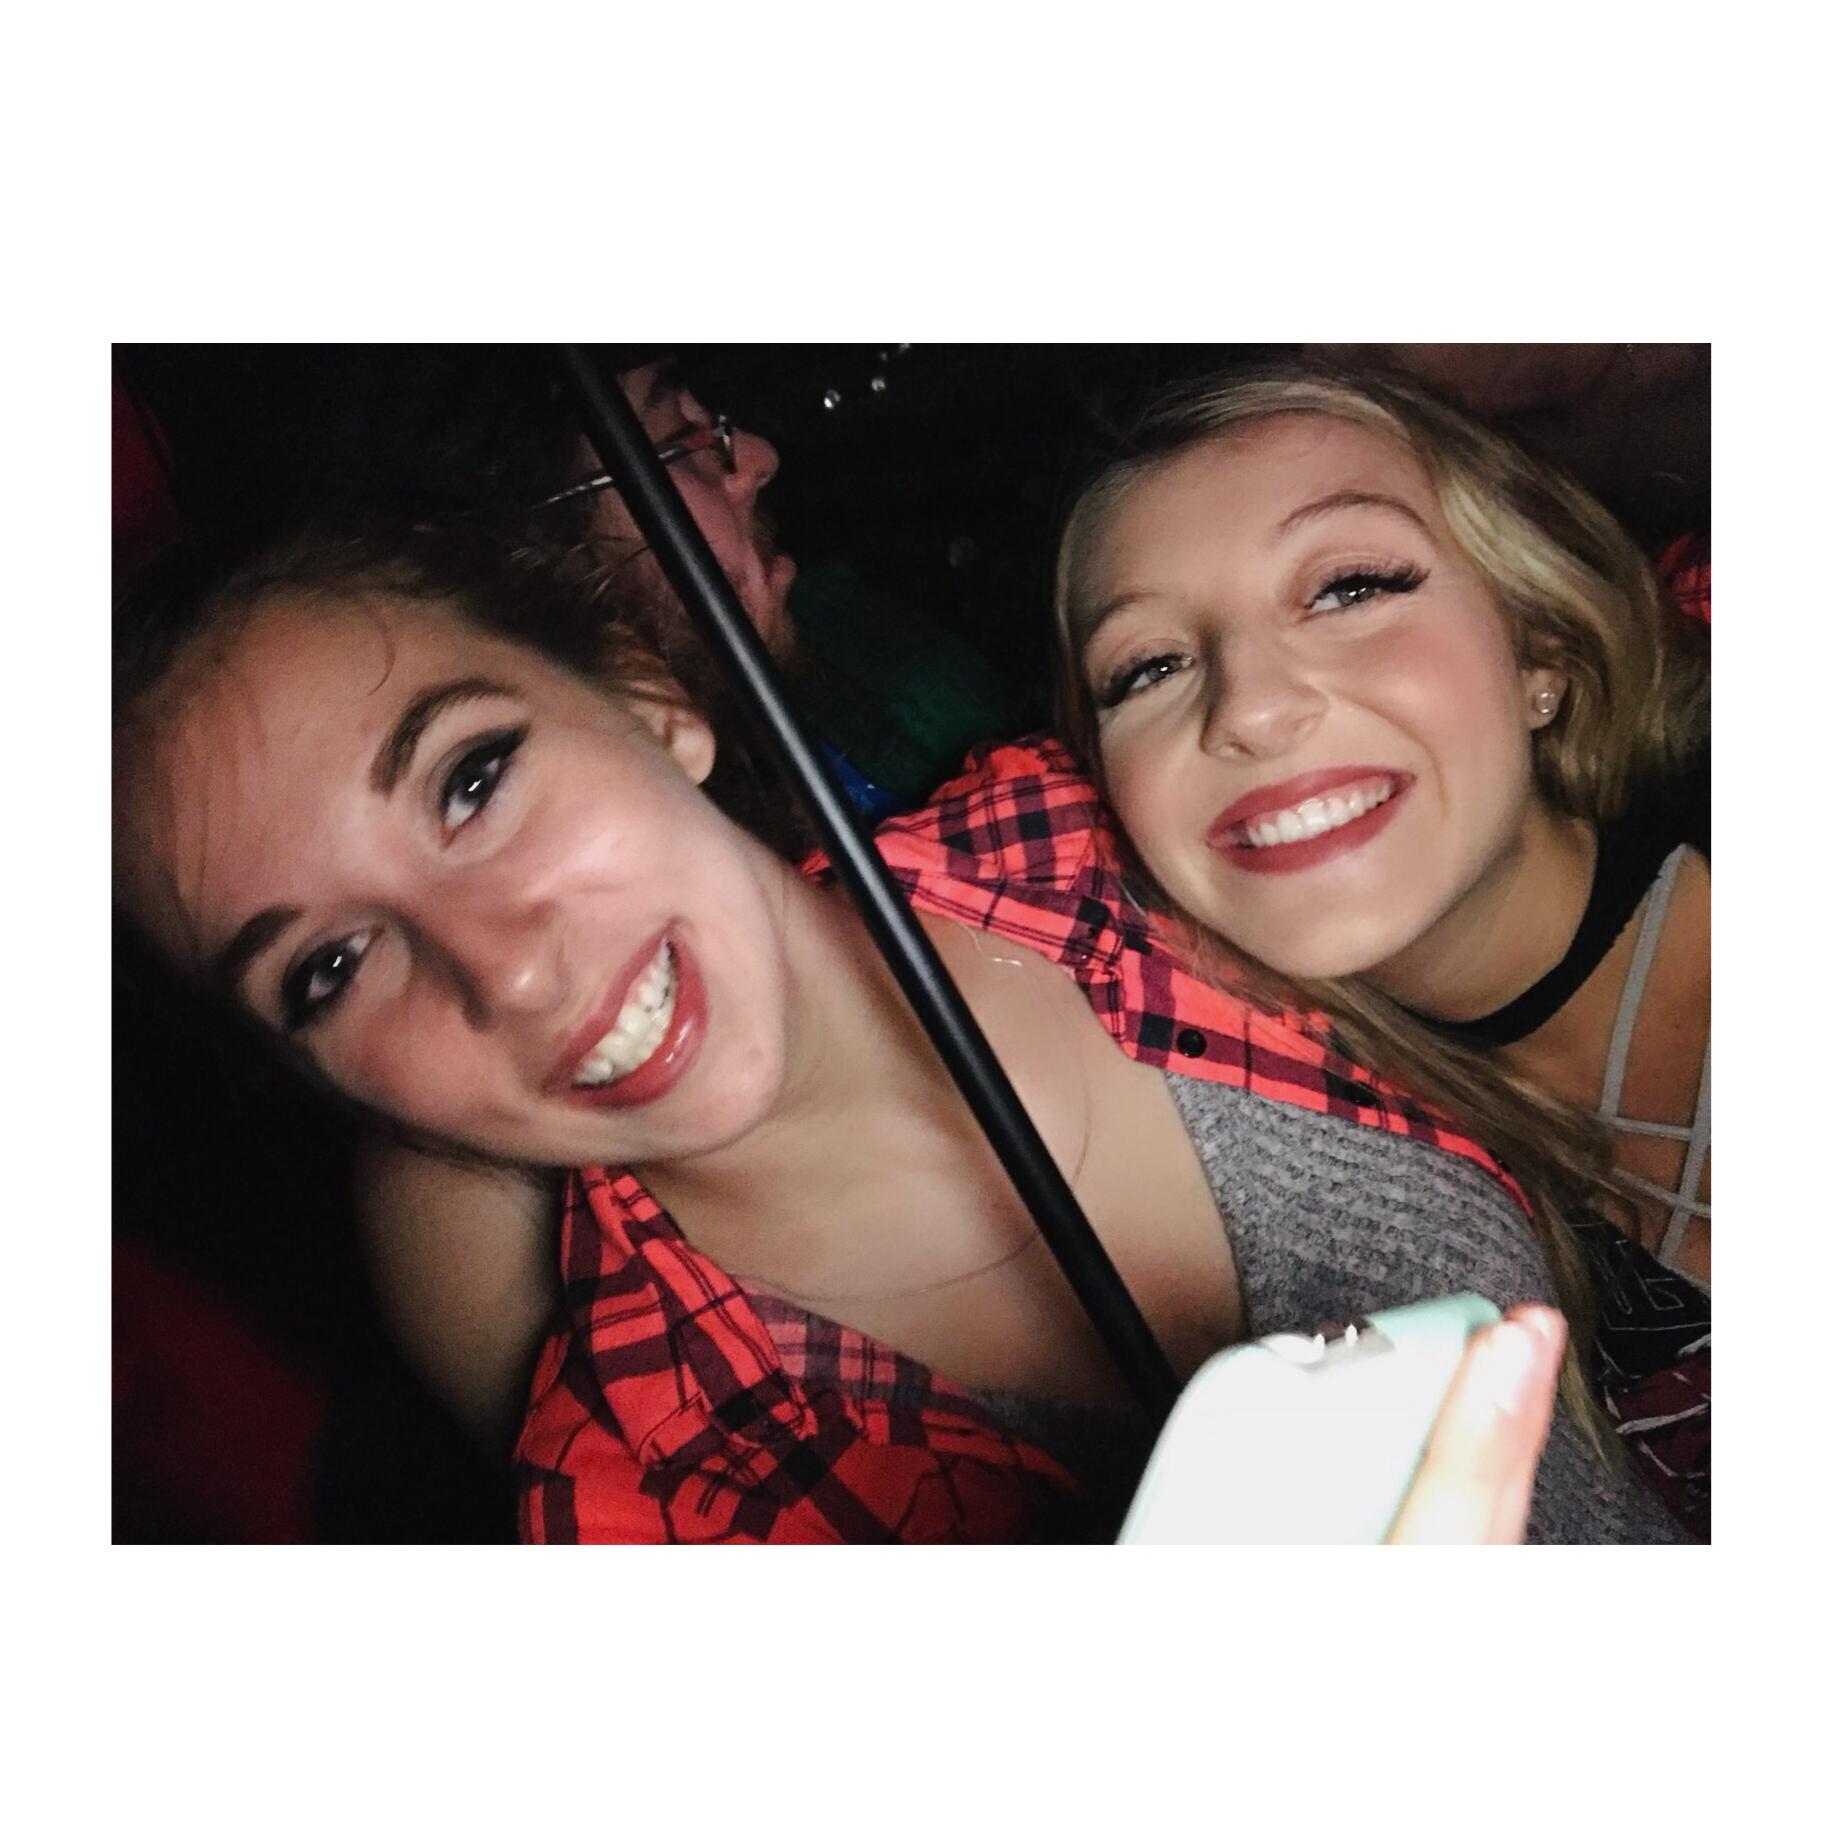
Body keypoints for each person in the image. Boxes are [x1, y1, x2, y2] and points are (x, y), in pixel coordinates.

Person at [113, 507, 1683, 1542]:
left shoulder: (1103, 837)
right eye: (329, 969)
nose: (507, 973)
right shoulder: (661, 1507)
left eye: (473, 778)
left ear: (651, 700)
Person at [1052, 364, 1709, 1527]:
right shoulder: (1344, 1212)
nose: (1248, 708)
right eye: (1147, 666)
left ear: (1539, 648)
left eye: (1348, 587)